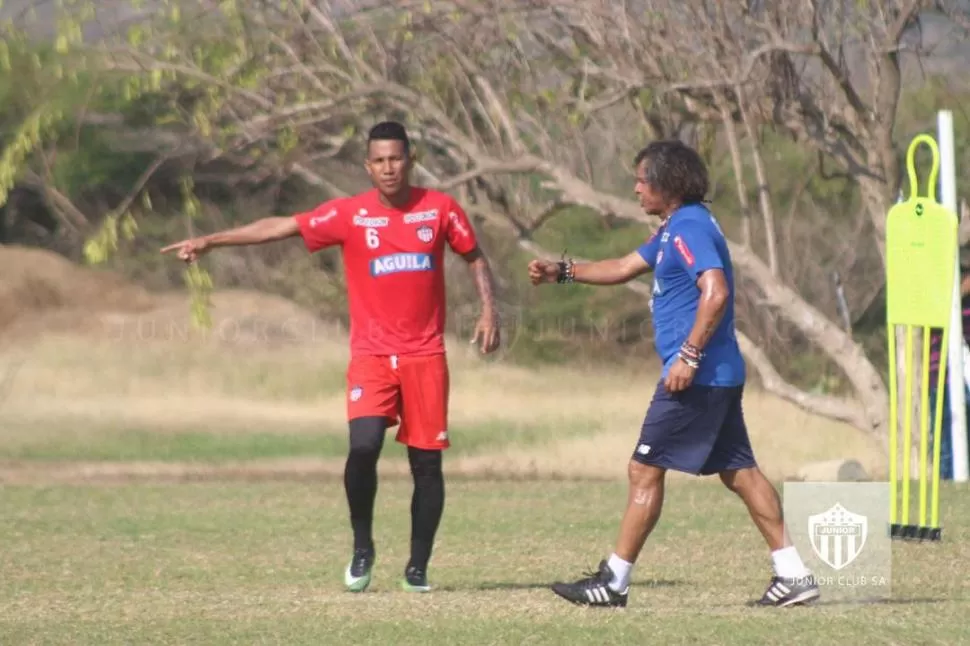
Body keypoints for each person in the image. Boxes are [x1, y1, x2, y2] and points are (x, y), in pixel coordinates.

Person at [161, 120, 501, 593]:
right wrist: (212, 240)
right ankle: (363, 547)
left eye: (396, 158)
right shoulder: (350, 215)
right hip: (371, 356)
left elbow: (475, 256)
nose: (388, 168)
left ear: (411, 160)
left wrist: (488, 311)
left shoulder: (440, 209)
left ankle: (417, 568)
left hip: (425, 355)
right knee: (363, 447)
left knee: (427, 464)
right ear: (368, 166)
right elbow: (280, 227)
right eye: (379, 160)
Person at [527, 139, 819, 609]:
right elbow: (624, 266)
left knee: (644, 467)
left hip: (697, 377)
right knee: (740, 473)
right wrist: (562, 271)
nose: (636, 188)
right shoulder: (672, 230)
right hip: (717, 375)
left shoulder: (690, 227)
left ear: (667, 184)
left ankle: (613, 582)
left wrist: (688, 355)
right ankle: (794, 575)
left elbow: (716, 290)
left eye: (642, 179)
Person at [928, 255, 970, 480]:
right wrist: (959, 292)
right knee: (946, 448)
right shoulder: (938, 297)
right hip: (943, 380)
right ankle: (948, 497)